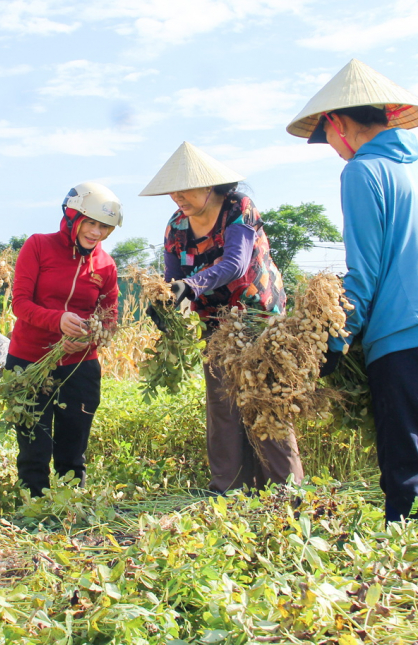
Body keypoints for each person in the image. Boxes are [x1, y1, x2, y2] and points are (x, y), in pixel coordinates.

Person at [287, 59, 418, 522]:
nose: (331, 148)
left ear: (338, 122)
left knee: (406, 468)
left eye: (326, 136)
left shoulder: (363, 171)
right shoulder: (417, 169)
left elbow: (364, 272)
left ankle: (408, 577)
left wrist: (335, 340)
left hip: (406, 336)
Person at [139, 141, 301, 494]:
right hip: (214, 325)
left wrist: (191, 286)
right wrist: (167, 303)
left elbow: (235, 264)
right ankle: (230, 493)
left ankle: (286, 494)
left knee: (266, 402)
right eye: (173, 192)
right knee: (223, 408)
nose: (178, 197)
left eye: (185, 189)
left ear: (209, 185)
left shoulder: (238, 208)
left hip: (257, 318)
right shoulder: (176, 227)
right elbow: (172, 280)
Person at [7, 182, 121, 496]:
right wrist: (57, 320)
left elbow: (109, 319)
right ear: (72, 217)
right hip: (29, 359)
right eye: (92, 223)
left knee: (74, 447)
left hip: (80, 366)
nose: (97, 233)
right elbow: (20, 304)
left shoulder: (106, 266)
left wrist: (88, 341)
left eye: (105, 227)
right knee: (34, 445)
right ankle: (33, 506)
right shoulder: (38, 246)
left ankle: (71, 506)